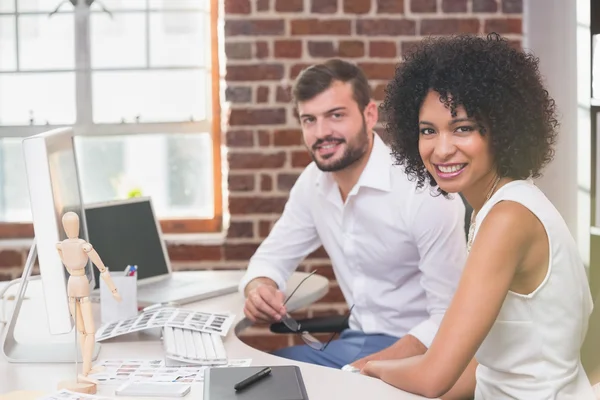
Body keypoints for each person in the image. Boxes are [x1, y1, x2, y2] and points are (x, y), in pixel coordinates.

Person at [361, 33, 596, 400]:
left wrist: (370, 369)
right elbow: (483, 370)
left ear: (501, 130)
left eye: (463, 128)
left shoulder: (508, 219)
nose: (441, 149)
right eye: (428, 131)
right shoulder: (495, 206)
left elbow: (433, 377)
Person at [238, 59, 468, 374]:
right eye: (309, 120)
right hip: (355, 341)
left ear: (369, 114)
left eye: (336, 115)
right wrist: (258, 287)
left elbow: (451, 319)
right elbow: (271, 258)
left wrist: (363, 371)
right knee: (253, 378)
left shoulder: (424, 192)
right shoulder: (313, 183)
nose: (321, 133)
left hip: (419, 352)